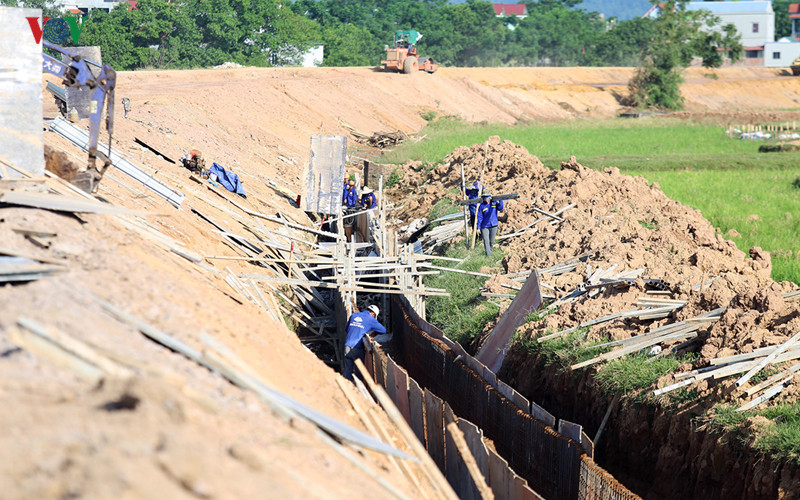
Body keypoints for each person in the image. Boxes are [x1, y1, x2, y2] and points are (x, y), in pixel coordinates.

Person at [343, 305, 386, 382]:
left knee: (347, 372)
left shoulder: (354, 315)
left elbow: (346, 329)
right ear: (373, 314)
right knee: (359, 372)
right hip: (357, 347)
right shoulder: (371, 319)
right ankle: (359, 391)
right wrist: (373, 333)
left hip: (347, 345)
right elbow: (383, 330)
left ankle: (345, 389)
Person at [476, 192, 504, 256]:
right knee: (486, 241)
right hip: (485, 226)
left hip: (494, 225)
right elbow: (480, 217)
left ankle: (490, 252)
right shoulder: (482, 206)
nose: (486, 199)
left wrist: (500, 200)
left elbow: (500, 208)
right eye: (484, 197)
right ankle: (488, 256)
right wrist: (478, 227)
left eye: (487, 197)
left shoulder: (494, 203)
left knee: (491, 242)